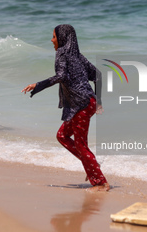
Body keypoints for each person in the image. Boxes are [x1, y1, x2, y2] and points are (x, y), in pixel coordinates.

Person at [22, 24, 110, 192]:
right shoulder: (77, 56)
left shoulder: (62, 53)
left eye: (54, 36)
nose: (51, 40)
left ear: (62, 39)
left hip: (81, 105)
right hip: (87, 102)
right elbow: (97, 75)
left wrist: (37, 85)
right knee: (62, 135)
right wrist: (97, 101)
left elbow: (61, 76)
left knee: (81, 144)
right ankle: (91, 164)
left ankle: (100, 182)